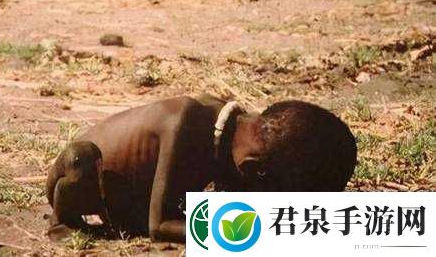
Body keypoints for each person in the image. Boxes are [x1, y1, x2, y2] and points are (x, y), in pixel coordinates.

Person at [45, 95, 357, 242]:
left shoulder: (236, 131)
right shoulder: (186, 125)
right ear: (253, 171)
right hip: (84, 178)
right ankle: (62, 222)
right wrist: (257, 237)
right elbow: (160, 225)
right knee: (80, 160)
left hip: (129, 196)